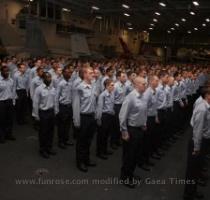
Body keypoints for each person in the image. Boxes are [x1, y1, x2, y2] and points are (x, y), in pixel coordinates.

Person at [119, 76, 147, 188]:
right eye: (143, 84)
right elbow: (122, 116)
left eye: (145, 84)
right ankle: (125, 177)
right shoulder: (130, 97)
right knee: (129, 155)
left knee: (136, 154)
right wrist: (124, 132)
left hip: (140, 129)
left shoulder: (143, 96)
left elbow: (144, 112)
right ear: (136, 84)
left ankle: (131, 173)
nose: (146, 85)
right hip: (131, 130)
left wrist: (144, 123)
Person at [184, 87, 210, 200]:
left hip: (202, 140)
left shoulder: (206, 107)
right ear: (208, 95)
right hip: (198, 141)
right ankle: (188, 194)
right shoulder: (202, 109)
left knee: (196, 169)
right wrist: (196, 147)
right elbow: (198, 130)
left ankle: (192, 191)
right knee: (192, 171)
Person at [73, 66, 97, 172]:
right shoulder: (79, 88)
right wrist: (76, 121)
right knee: (81, 141)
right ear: (85, 74)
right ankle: (80, 162)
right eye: (91, 73)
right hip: (83, 117)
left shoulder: (93, 86)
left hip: (91, 117)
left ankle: (86, 159)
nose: (93, 74)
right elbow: (76, 105)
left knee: (88, 140)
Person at [33, 72, 56, 159]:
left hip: (51, 112)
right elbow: (35, 103)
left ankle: (49, 148)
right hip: (43, 113)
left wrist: (55, 111)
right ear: (43, 79)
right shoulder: (39, 89)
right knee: (43, 133)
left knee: (51, 132)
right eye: (47, 78)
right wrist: (36, 116)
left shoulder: (52, 88)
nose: (49, 79)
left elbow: (55, 101)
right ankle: (43, 150)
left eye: (50, 77)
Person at [96, 79, 115, 160]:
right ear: (107, 86)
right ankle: (99, 152)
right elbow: (100, 108)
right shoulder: (102, 95)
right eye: (111, 85)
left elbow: (111, 105)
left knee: (107, 134)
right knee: (102, 135)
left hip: (109, 116)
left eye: (113, 85)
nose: (113, 87)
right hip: (104, 116)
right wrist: (99, 119)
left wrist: (113, 111)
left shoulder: (112, 93)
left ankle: (105, 149)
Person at [55, 66, 74, 149]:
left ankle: (66, 140)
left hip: (69, 107)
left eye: (69, 72)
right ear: (63, 74)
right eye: (66, 72)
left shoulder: (71, 82)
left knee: (67, 125)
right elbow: (56, 96)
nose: (68, 73)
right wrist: (56, 109)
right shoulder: (61, 83)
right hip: (63, 106)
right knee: (61, 125)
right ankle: (61, 141)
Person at [0, 66, 16, 143]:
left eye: (8, 71)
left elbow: (13, 91)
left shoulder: (11, 80)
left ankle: (9, 134)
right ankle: (1, 136)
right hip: (1, 102)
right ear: (1, 72)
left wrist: (13, 101)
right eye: (5, 71)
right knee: (2, 120)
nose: (7, 73)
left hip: (9, 101)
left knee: (10, 120)